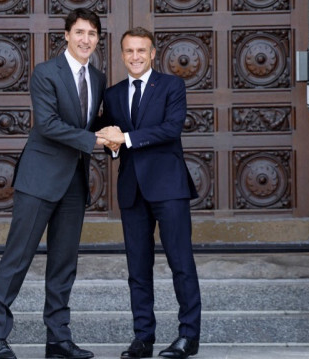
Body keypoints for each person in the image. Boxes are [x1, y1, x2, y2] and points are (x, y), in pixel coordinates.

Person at [0, 8, 107, 359]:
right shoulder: (45, 73)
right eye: (80, 32)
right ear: (66, 35)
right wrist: (96, 140)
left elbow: (94, 120)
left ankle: (58, 339)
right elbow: (49, 125)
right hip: (38, 179)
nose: (86, 39)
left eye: (93, 34)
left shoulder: (97, 78)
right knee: (17, 258)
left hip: (74, 182)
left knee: (63, 263)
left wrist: (115, 135)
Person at [96, 27, 202, 359]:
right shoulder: (112, 94)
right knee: (137, 268)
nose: (136, 57)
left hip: (169, 187)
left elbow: (171, 129)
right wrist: (112, 146)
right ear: (122, 55)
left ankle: (188, 336)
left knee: (180, 263)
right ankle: (143, 337)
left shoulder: (172, 86)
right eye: (129, 51)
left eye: (142, 51)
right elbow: (111, 142)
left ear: (153, 53)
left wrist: (125, 138)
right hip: (132, 190)